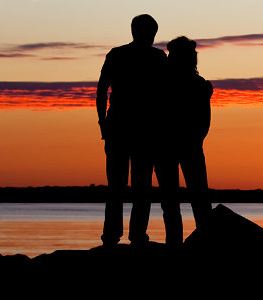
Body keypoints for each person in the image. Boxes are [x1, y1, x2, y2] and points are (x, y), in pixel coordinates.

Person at [96, 14, 166, 246]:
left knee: (127, 186)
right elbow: (102, 89)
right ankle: (126, 235)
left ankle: (121, 235)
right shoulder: (155, 57)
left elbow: (101, 90)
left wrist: (102, 121)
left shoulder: (121, 55)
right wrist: (102, 121)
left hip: (131, 128)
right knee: (135, 186)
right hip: (133, 129)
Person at [154, 36, 214, 247]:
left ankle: (185, 243)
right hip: (173, 146)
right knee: (185, 199)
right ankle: (185, 243)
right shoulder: (193, 84)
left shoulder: (195, 84)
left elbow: (204, 121)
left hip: (181, 146)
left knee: (186, 199)